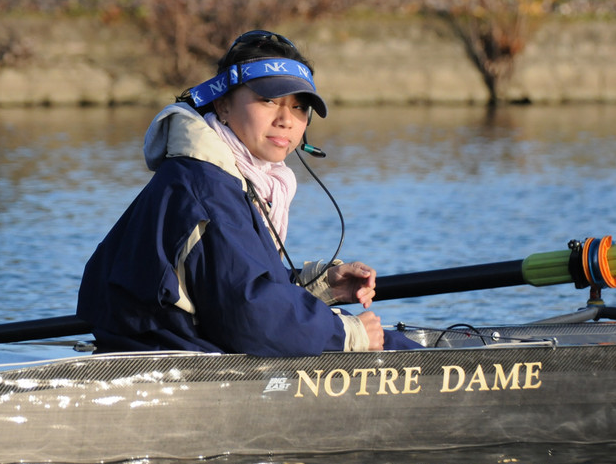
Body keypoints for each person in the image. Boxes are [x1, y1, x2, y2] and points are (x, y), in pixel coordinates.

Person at [76, 30, 420, 356]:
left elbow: (231, 284)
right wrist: (348, 334)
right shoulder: (207, 187)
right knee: (384, 343)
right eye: (268, 100)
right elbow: (249, 315)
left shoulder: (215, 173)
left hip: (181, 343)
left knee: (383, 339)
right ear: (223, 105)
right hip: (176, 359)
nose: (286, 120)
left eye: (299, 107)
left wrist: (322, 284)